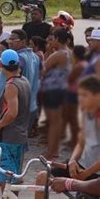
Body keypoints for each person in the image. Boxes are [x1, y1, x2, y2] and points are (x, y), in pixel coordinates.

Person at [34, 75, 100, 199]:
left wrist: (86, 173)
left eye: (85, 95)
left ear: (97, 96)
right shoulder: (87, 114)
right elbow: (81, 142)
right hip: (81, 165)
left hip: (95, 174)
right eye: (79, 95)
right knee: (42, 177)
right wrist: (72, 160)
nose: (81, 99)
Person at [0, 50, 31, 193]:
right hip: (20, 135)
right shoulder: (24, 80)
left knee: (6, 177)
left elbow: (12, 113)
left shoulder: (11, 86)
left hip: (8, 136)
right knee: (15, 176)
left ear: (2, 65)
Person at [40, 28, 72, 160]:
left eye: (52, 39)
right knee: (58, 123)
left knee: (53, 123)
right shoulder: (70, 52)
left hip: (54, 91)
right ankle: (55, 150)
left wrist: (47, 51)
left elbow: (42, 70)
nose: (50, 41)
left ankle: (50, 153)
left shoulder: (58, 54)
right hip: (64, 90)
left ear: (58, 39)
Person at [8, 29, 42, 139]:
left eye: (14, 39)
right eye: (10, 39)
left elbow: (14, 75)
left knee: (12, 138)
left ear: (23, 41)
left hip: (19, 105)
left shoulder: (19, 58)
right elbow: (42, 73)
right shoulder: (35, 56)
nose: (10, 42)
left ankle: (8, 157)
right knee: (22, 137)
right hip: (32, 105)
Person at [63, 45, 88, 149]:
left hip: (73, 94)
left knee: (72, 119)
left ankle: (74, 142)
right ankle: (74, 140)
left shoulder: (78, 66)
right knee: (74, 119)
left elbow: (69, 78)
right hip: (77, 93)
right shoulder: (86, 64)